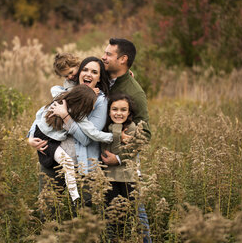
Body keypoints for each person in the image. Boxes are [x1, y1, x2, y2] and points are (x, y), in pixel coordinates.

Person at [28, 56, 110, 205]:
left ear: (99, 77)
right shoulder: (66, 90)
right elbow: (42, 113)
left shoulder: (100, 101)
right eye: (84, 70)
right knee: (47, 208)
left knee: (85, 214)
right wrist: (30, 137)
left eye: (94, 72)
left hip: (83, 164)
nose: (87, 74)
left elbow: (86, 139)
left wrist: (65, 116)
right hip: (52, 157)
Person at [101, 38, 152, 243]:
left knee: (135, 210)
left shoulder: (135, 92)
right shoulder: (102, 76)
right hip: (99, 160)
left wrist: (120, 158)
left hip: (122, 165)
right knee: (109, 216)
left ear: (123, 59)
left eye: (108, 54)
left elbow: (145, 134)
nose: (103, 57)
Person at [101, 93, 142, 240]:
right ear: (109, 111)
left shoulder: (131, 128)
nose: (119, 113)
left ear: (129, 112)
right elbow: (104, 153)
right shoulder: (105, 128)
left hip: (127, 179)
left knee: (128, 216)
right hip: (110, 179)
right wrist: (117, 134)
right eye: (115, 109)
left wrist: (117, 133)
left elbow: (120, 152)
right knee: (112, 217)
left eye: (123, 110)